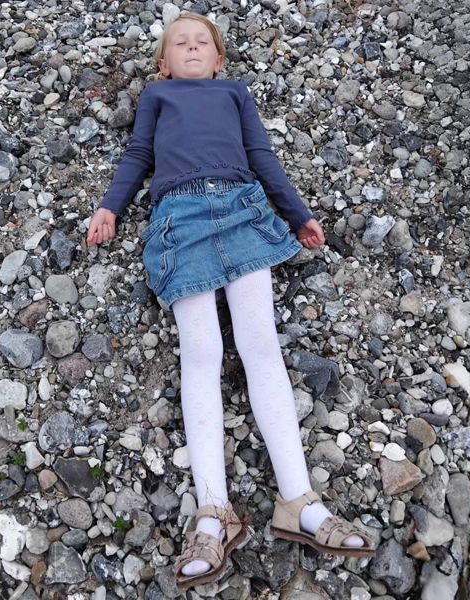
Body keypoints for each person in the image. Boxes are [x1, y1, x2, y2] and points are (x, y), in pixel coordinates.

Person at [86, 12, 373, 590]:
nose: (192, 48)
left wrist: (298, 214)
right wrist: (110, 205)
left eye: (203, 42)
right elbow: (138, 155)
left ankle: (299, 500)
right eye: (180, 43)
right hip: (180, 217)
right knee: (201, 354)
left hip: (243, 208)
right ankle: (213, 512)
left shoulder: (235, 93)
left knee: (261, 345)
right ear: (164, 62)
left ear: (219, 59)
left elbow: (262, 155)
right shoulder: (157, 96)